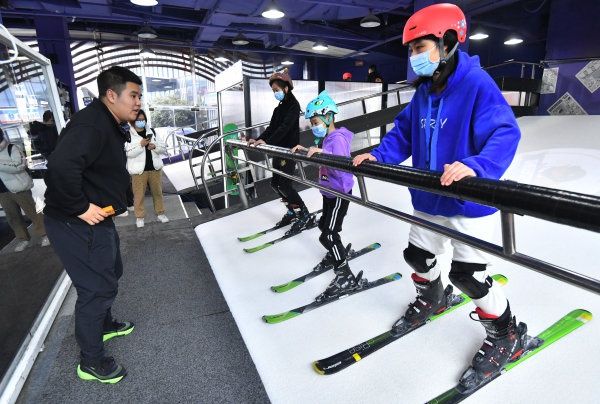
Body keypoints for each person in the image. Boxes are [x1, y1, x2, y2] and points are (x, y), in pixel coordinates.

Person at [353, 3, 524, 388]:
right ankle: (433, 297)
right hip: (428, 199)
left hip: (466, 204)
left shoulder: (477, 84)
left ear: (448, 41)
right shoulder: (424, 93)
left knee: (469, 276)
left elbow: (505, 133)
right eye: (411, 50)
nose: (414, 57)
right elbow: (402, 134)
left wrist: (476, 166)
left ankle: (508, 333)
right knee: (417, 255)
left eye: (420, 47)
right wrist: (376, 155)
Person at [43, 66, 140, 384]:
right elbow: (59, 166)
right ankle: (91, 361)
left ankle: (105, 324)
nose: (138, 102)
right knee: (96, 288)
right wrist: (80, 207)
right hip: (74, 222)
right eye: (133, 95)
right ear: (111, 95)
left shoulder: (111, 123)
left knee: (112, 272)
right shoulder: (92, 124)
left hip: (100, 219)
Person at [292, 90, 361, 301]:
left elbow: (340, 163)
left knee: (328, 234)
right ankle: (336, 252)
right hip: (329, 191)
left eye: (315, 121)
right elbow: (326, 157)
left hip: (339, 192)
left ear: (329, 117)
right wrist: (307, 150)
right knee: (325, 226)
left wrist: (322, 153)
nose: (314, 126)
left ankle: (345, 274)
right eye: (312, 123)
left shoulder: (337, 138)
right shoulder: (328, 138)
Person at [248, 68, 312, 234]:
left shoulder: (293, 106)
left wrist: (267, 141)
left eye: (276, 90)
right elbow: (272, 127)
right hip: (278, 150)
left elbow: (284, 128)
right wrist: (258, 139)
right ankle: (292, 211)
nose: (274, 93)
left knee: (284, 184)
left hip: (288, 151)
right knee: (275, 184)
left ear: (286, 88)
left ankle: (303, 214)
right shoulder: (279, 108)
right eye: (273, 91)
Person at [0, 128, 49, 252]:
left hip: (19, 188)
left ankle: (45, 234)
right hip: (2, 191)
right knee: (12, 217)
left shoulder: (12, 148)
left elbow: (19, 166)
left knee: (32, 212)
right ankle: (23, 239)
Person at [125, 109, 169, 228]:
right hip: (138, 171)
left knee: (158, 193)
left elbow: (163, 148)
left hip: (155, 169)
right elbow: (128, 152)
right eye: (138, 120)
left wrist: (154, 146)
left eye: (143, 120)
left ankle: (160, 213)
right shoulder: (128, 134)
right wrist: (141, 145)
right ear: (133, 121)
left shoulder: (152, 131)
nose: (141, 122)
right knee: (138, 196)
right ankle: (139, 217)